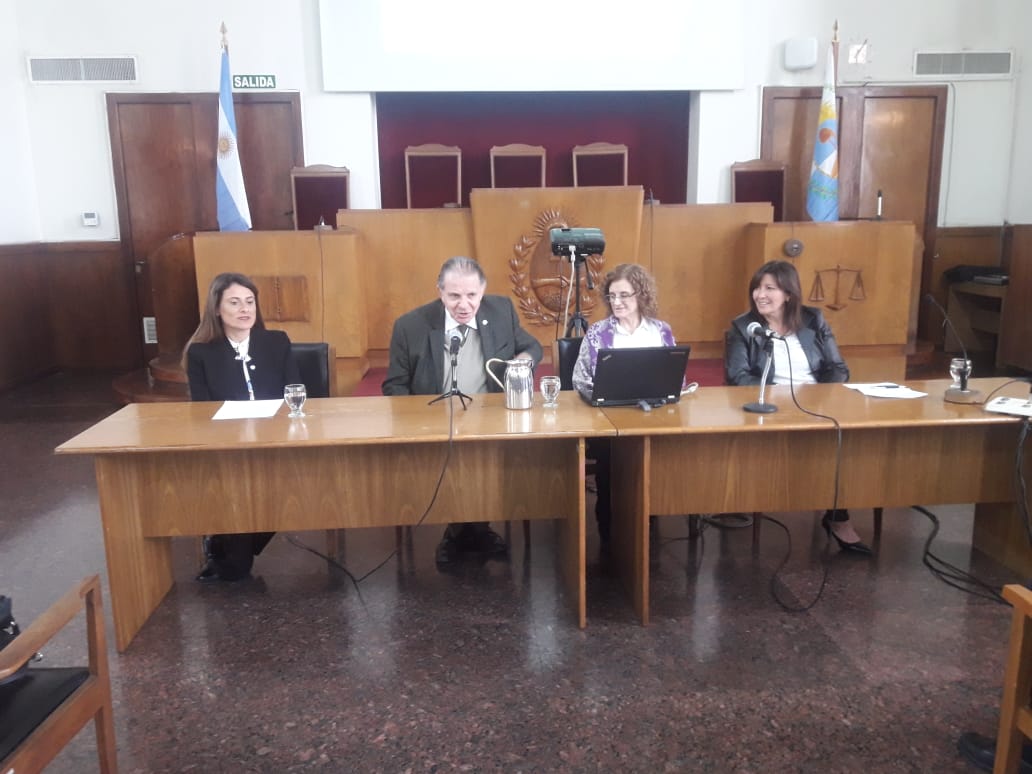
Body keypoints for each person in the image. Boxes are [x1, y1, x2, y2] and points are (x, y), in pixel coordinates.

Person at [383, 256, 543, 564]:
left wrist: (523, 360)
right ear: (440, 292)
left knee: (489, 460)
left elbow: (532, 347)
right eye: (454, 295)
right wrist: (414, 426)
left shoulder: (501, 311)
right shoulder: (410, 326)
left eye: (472, 295)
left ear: (483, 290)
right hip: (434, 421)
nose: (464, 304)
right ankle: (463, 532)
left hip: (491, 418)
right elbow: (394, 386)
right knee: (452, 458)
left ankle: (470, 531)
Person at [724, 259, 871, 555]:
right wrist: (778, 400)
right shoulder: (744, 327)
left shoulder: (813, 320)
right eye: (757, 288)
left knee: (841, 441)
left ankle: (837, 516)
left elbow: (837, 368)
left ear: (788, 294)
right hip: (769, 410)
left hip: (815, 406)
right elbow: (738, 377)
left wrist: (817, 398)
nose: (760, 294)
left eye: (770, 288)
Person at [183, 272, 300, 581]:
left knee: (290, 491)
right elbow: (201, 411)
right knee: (236, 567)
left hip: (276, 438)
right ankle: (227, 546)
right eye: (234, 303)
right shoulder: (201, 352)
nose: (245, 309)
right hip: (227, 445)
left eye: (250, 302)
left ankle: (225, 544)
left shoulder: (277, 342)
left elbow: (295, 392)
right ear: (216, 308)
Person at [571, 263, 678, 545]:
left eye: (624, 295)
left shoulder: (661, 331)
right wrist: (603, 396)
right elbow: (580, 379)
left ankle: (648, 523)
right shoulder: (598, 332)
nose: (616, 302)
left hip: (653, 419)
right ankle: (608, 530)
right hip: (610, 421)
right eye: (612, 296)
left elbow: (676, 377)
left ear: (641, 294)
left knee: (662, 456)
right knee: (609, 461)